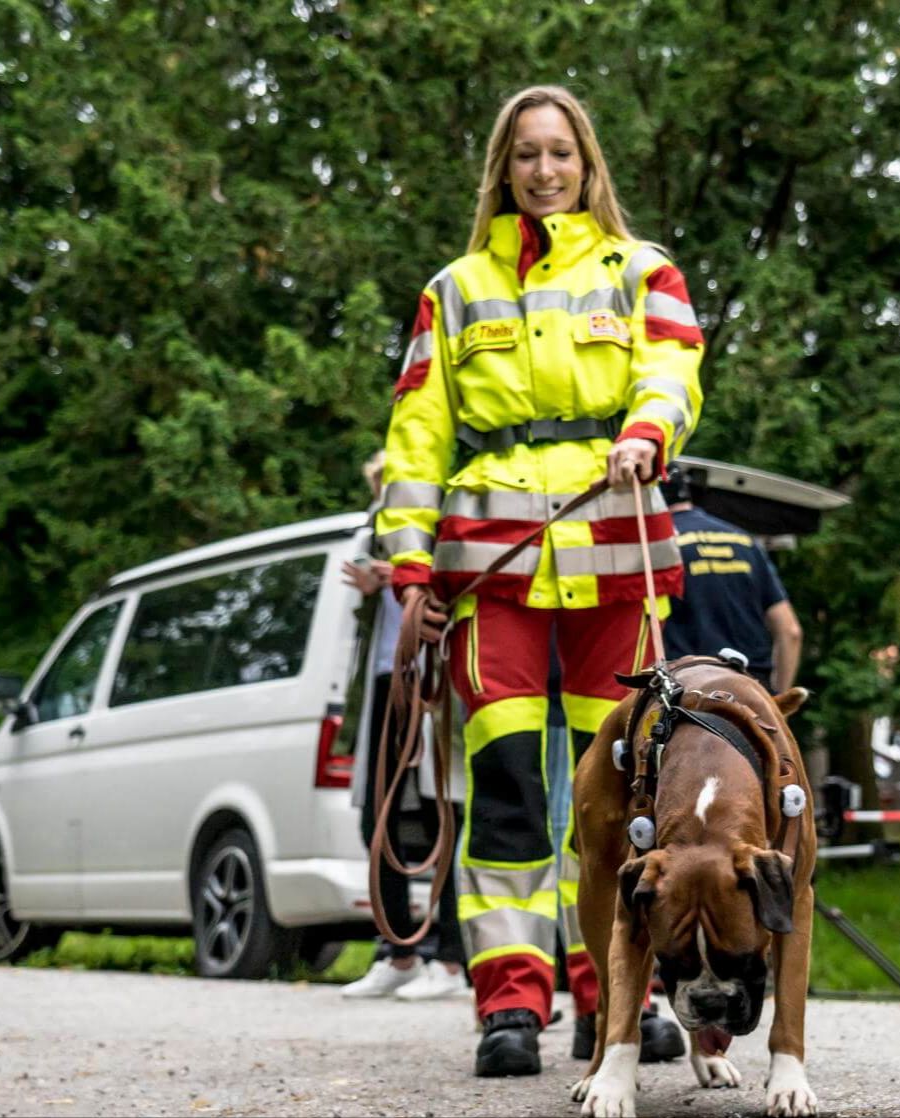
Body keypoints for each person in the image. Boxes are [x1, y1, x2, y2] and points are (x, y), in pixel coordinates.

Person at [375, 85, 703, 1076]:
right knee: (509, 789)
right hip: (492, 573)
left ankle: (613, 995)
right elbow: (416, 432)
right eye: (526, 155)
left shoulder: (642, 268)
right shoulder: (455, 287)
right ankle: (507, 1004)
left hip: (614, 555)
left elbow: (672, 369)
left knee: (614, 791)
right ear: (503, 169)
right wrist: (408, 563)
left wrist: (646, 432)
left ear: (587, 162)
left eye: (560, 152)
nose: (545, 169)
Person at [342, 452, 469, 1001]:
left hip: (444, 680)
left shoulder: (452, 520)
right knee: (380, 815)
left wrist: (413, 576)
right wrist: (375, 587)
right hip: (386, 676)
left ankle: (452, 960)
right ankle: (398, 952)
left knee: (452, 813)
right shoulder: (375, 527)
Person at [658, 464, 803, 692]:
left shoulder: (657, 546)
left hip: (687, 690)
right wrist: (779, 701)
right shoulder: (744, 541)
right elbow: (790, 631)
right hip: (752, 687)